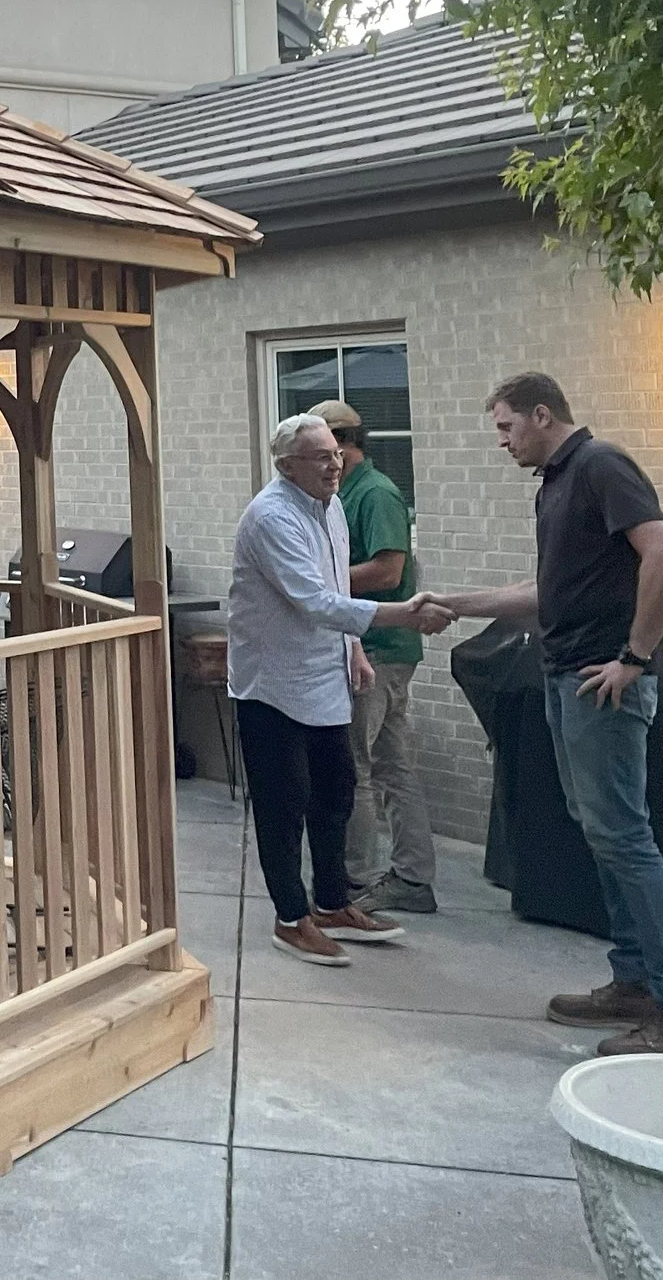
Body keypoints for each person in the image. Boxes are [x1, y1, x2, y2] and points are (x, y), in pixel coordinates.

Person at [432, 373, 663, 1056]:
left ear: (541, 412)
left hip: (602, 684)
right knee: (605, 832)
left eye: (506, 427)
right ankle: (635, 982)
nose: (502, 441)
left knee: (624, 836)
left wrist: (635, 657)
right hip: (567, 679)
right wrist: (457, 603)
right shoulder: (556, 484)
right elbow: (545, 591)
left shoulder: (600, 465)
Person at [230, 413, 453, 966]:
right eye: (320, 457)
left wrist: (353, 648)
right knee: (285, 804)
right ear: (287, 466)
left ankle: (331, 903)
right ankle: (291, 918)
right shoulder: (271, 518)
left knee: (336, 791)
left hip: (325, 672)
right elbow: (312, 599)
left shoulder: (330, 506)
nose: (335, 465)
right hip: (272, 683)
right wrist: (402, 615)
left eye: (335, 453)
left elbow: (332, 583)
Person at [310, 398, 439, 917]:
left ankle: (357, 882)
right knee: (391, 765)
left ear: (342, 445)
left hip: (381, 650)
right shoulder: (344, 493)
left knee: (355, 766)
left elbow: (388, 572)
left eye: (322, 450)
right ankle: (412, 876)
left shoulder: (376, 493)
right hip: (373, 645)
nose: (323, 462)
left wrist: (318, 582)